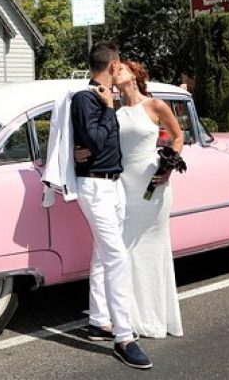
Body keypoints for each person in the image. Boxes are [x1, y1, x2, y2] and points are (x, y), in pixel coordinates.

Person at [71, 43, 152, 370]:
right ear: (114, 64)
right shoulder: (85, 98)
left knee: (103, 256)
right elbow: (92, 140)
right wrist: (107, 108)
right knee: (117, 256)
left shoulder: (107, 99)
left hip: (113, 185)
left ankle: (98, 321)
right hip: (94, 185)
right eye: (121, 66)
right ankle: (123, 337)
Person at [103, 60, 185, 338]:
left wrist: (170, 168)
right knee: (125, 252)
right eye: (114, 72)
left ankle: (155, 317)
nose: (117, 74)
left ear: (135, 74)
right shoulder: (113, 111)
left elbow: (177, 136)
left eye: (122, 69)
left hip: (154, 185)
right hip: (125, 189)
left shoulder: (155, 106)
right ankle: (129, 317)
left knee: (153, 249)